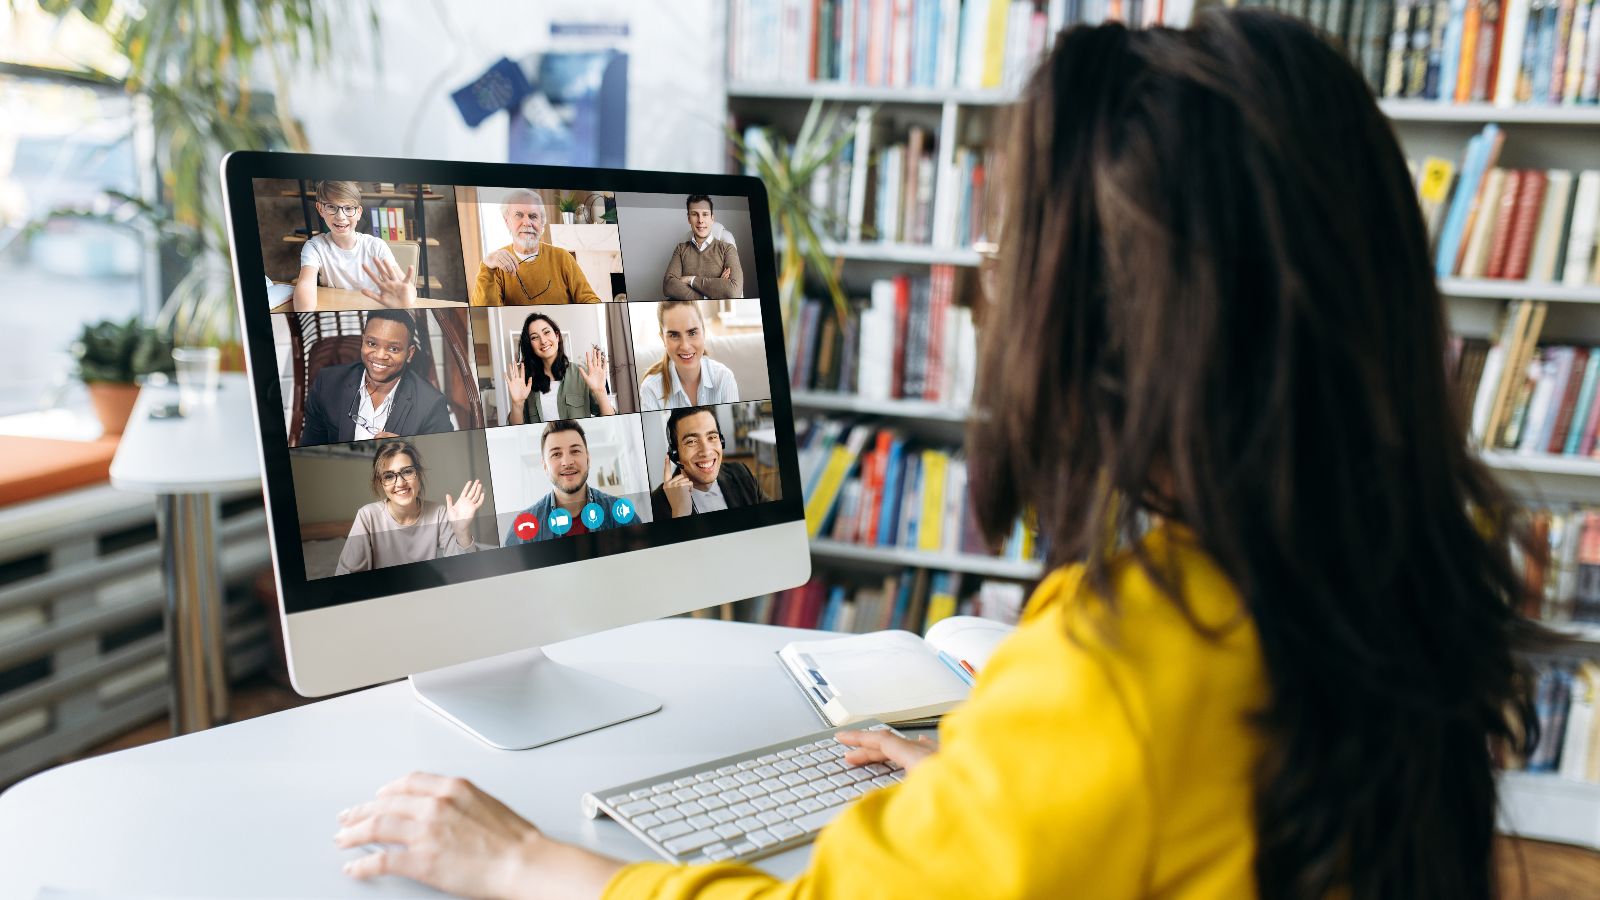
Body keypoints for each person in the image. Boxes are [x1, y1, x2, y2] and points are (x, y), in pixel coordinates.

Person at [335, 12, 1540, 899]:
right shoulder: (1401, 565)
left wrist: (525, 860)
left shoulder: (1125, 668)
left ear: (1123, 328)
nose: (982, 278)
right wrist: (1002, 793)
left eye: (1010, 243)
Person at [298, 310, 455, 446]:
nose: (380, 355)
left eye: (393, 348)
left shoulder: (432, 404)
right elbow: (309, 448)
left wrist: (407, 451)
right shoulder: (327, 383)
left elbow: (443, 462)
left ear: (410, 353)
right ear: (363, 341)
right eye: (372, 344)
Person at [333, 440, 485, 575]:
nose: (400, 483)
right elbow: (345, 576)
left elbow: (467, 570)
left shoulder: (438, 513)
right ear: (380, 483)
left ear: (418, 475)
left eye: (407, 471)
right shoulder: (367, 516)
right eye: (389, 476)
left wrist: (461, 531)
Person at [501, 420, 628, 546]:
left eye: (575, 451)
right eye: (556, 454)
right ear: (545, 466)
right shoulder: (523, 529)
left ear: (588, 459)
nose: (567, 462)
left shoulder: (621, 513)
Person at [292, 180, 413, 310]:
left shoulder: (376, 246)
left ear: (359, 213)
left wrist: (407, 298)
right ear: (320, 209)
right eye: (331, 207)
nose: (340, 216)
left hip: (372, 313)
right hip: (337, 315)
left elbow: (407, 288)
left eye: (349, 208)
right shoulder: (314, 247)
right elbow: (305, 286)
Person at [474, 190, 602, 305]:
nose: (527, 222)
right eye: (519, 215)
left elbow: (590, 300)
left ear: (542, 224)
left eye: (533, 216)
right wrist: (487, 266)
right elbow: (485, 312)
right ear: (507, 221)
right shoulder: (496, 265)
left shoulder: (562, 257)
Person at [650, 406, 767, 520]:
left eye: (712, 437)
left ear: (721, 442)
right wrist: (680, 514)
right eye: (691, 441)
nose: (706, 452)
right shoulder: (655, 503)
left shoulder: (741, 472)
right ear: (675, 454)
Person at [504, 312, 615, 425]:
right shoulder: (526, 383)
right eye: (534, 337)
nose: (543, 341)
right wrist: (517, 404)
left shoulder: (582, 374)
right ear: (530, 345)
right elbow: (517, 430)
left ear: (557, 336)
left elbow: (611, 424)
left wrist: (601, 392)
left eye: (546, 332)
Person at [638, 300, 739, 411]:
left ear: (704, 332)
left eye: (692, 333)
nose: (685, 346)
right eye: (674, 335)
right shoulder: (651, 389)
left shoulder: (724, 379)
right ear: (663, 338)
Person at [663, 194, 744, 300]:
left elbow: (733, 291)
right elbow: (669, 286)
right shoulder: (681, 249)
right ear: (689, 219)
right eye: (695, 214)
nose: (700, 220)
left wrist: (690, 280)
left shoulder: (727, 249)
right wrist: (713, 292)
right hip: (686, 313)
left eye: (705, 214)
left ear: (712, 218)